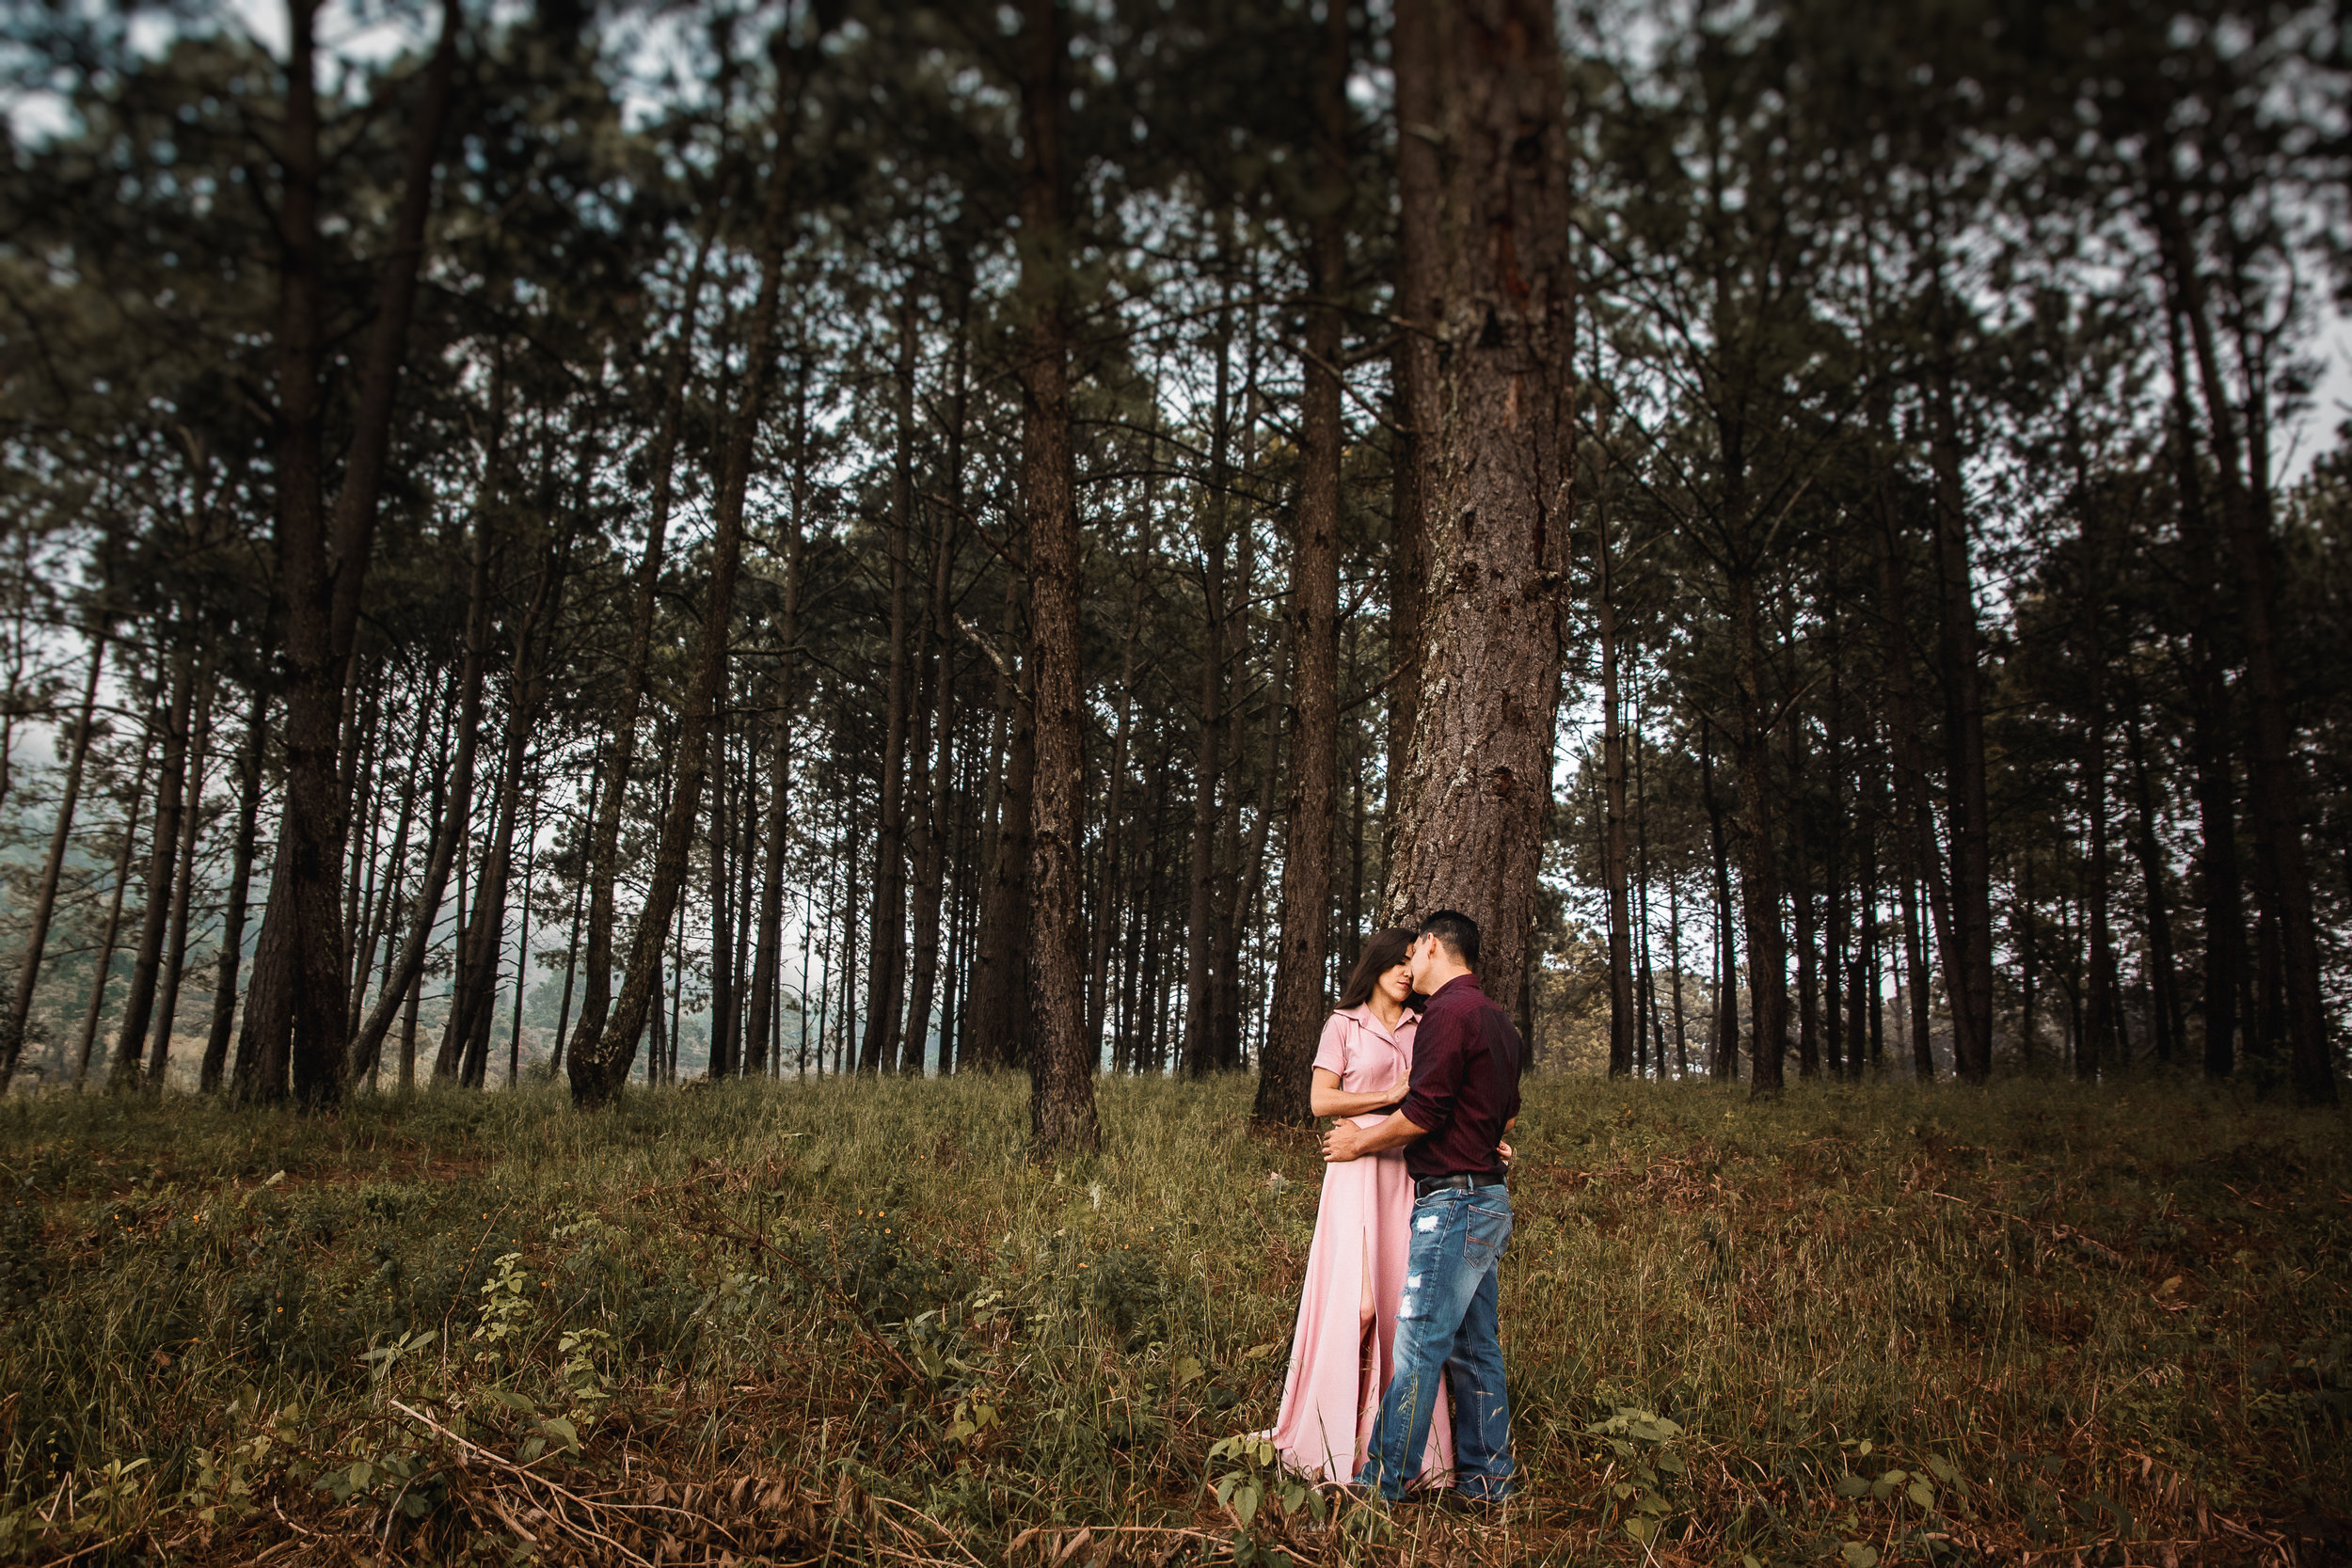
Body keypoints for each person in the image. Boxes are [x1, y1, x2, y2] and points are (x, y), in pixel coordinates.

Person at [1322, 909, 1521, 1507]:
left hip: (1453, 1203)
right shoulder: (1498, 1022)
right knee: (1474, 1344)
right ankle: (1490, 1480)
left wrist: (1359, 1139)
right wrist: (1483, 1137)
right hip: (1488, 1198)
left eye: (1415, 954)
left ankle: (1379, 1486)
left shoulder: (1446, 1016)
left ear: (1432, 946)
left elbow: (1425, 1111)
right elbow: (1505, 1111)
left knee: (1418, 1343)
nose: (1410, 966)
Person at [1263, 930, 1454, 1485]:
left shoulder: (1426, 1026)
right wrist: (1387, 1096)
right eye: (1394, 964)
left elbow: (1441, 1098)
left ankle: (1395, 1448)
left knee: (1401, 1309)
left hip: (1408, 1173)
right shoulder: (1343, 1023)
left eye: (1409, 964)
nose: (1404, 972)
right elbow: (1321, 1101)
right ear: (1372, 969)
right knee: (1361, 1305)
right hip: (1354, 1173)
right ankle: (1331, 1436)